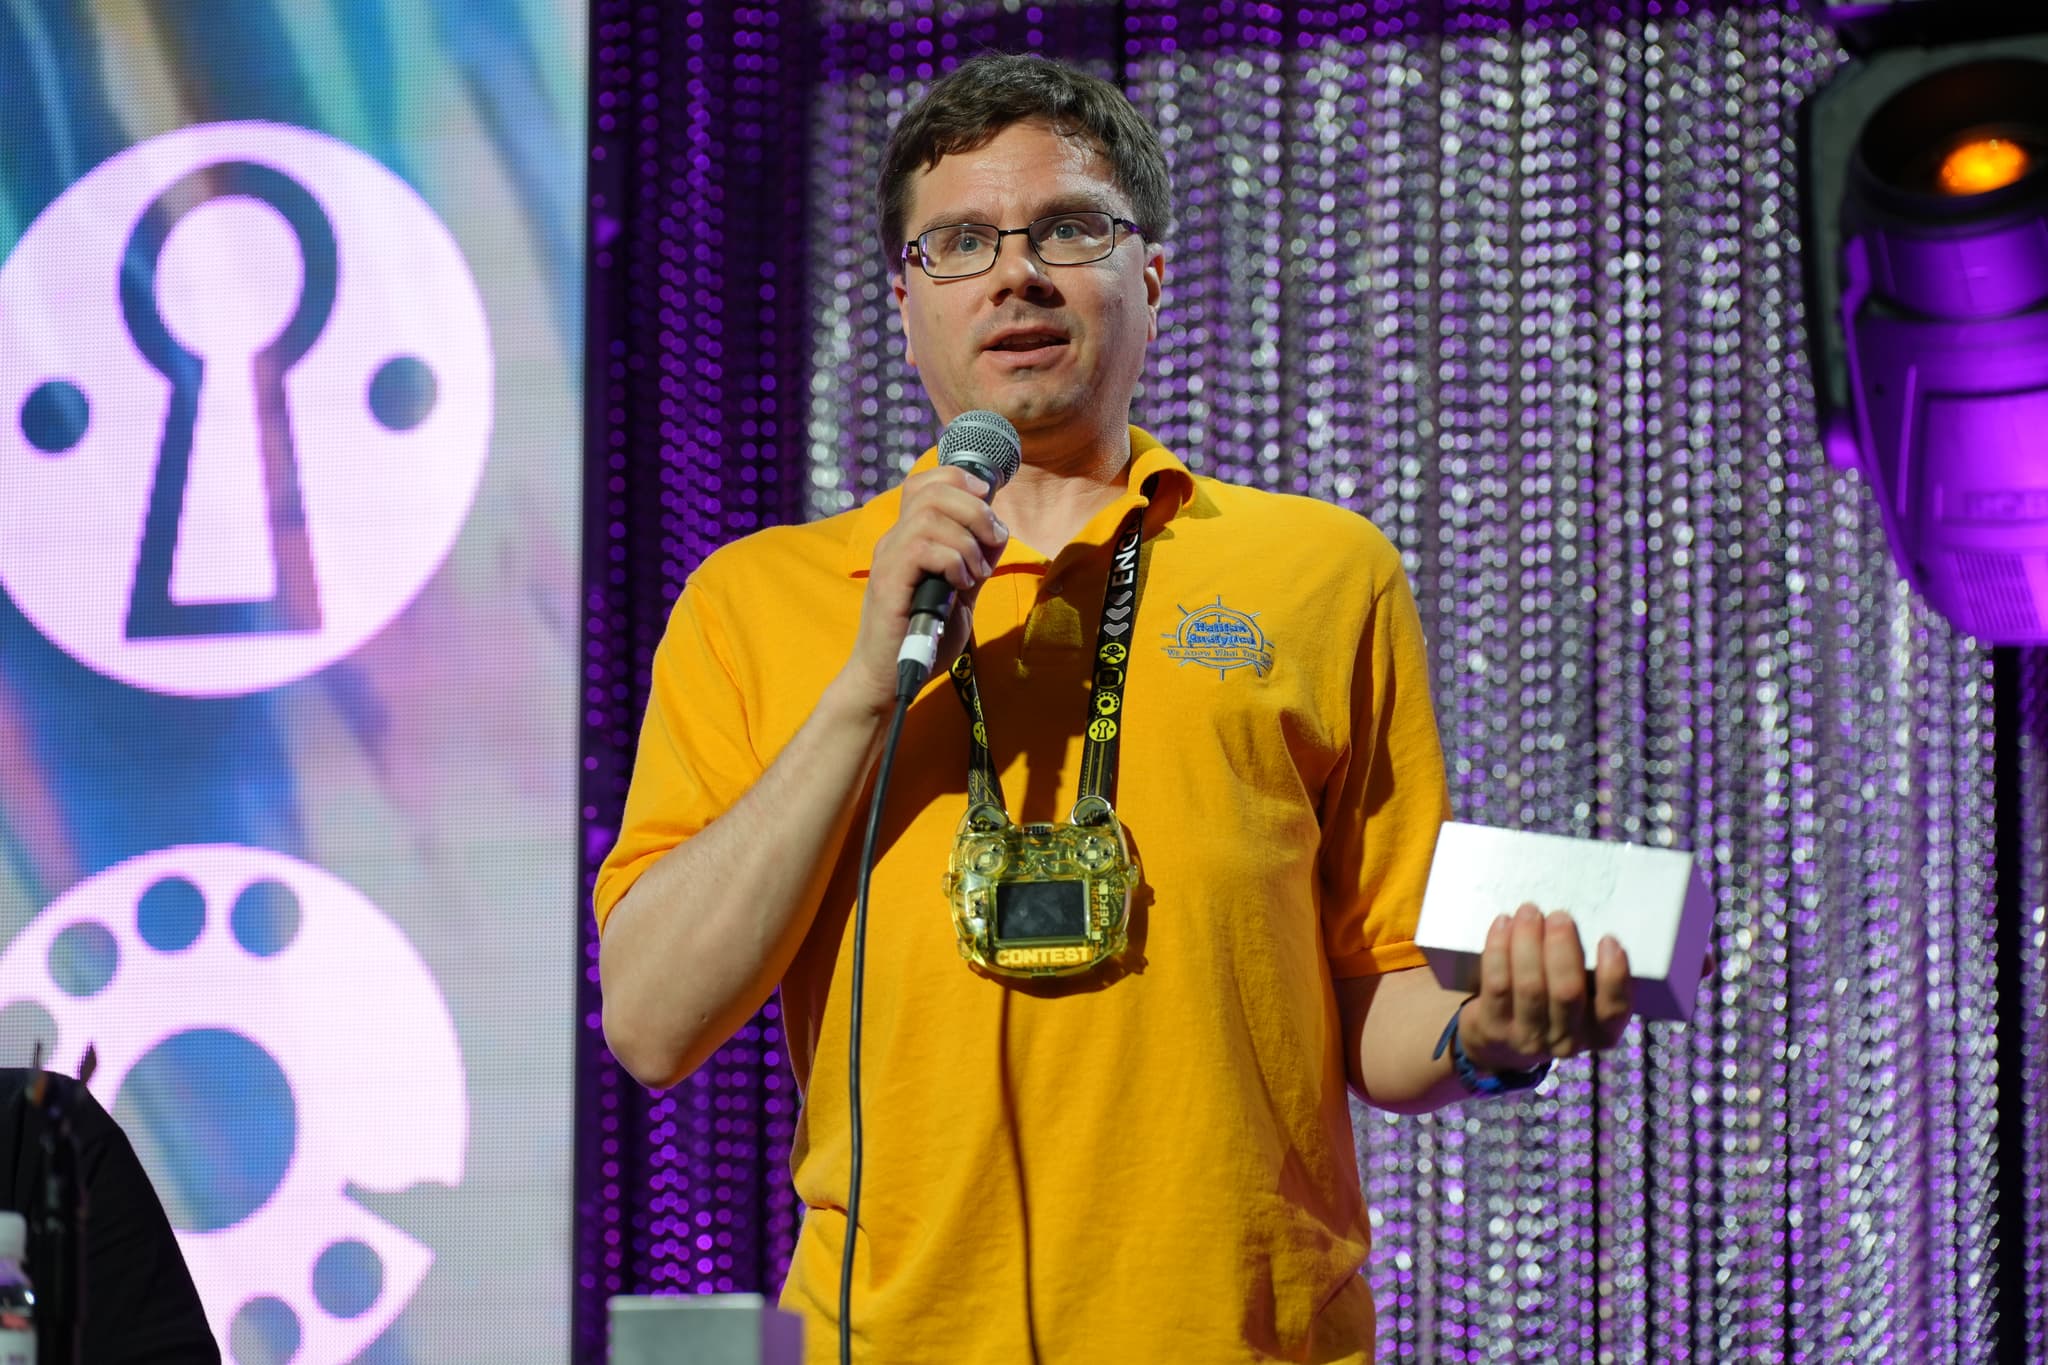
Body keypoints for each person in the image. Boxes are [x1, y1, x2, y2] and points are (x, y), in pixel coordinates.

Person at [595, 52, 1635, 1364]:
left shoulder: (1323, 573)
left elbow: (1379, 997)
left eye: (1068, 228)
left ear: (1151, 275)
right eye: (961, 241)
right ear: (906, 304)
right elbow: (649, 1019)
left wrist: (1489, 1037)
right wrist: (868, 684)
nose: (1016, 273)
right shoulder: (759, 600)